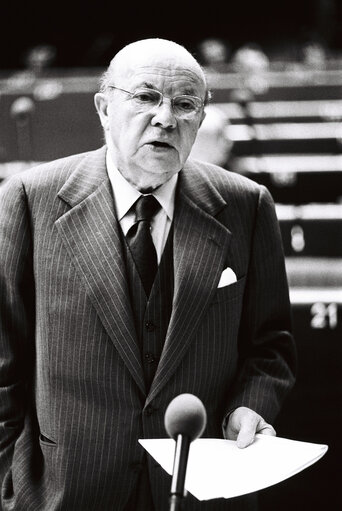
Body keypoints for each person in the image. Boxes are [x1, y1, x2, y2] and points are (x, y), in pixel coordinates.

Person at [0, 38, 296, 511]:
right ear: (103, 107)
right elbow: (4, 369)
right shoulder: (26, 200)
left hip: (201, 491)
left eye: (185, 104)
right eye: (145, 97)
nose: (165, 118)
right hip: (66, 490)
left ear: (201, 118)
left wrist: (250, 405)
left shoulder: (247, 205)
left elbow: (270, 343)